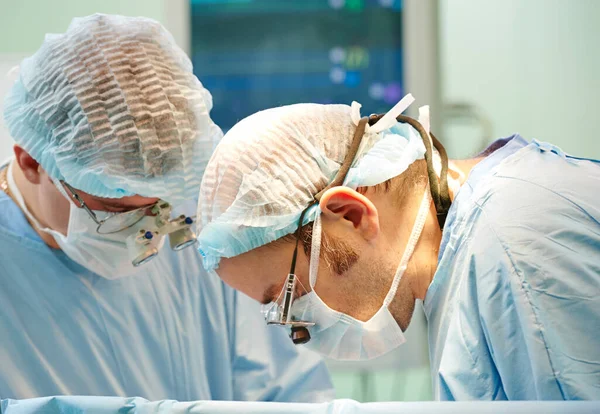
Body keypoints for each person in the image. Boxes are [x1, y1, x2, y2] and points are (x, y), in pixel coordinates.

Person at [0, 14, 334, 402]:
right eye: (113, 208)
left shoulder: (196, 229)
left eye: (160, 203)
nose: (148, 230)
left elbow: (288, 391)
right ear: (31, 162)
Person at [195, 94, 600, 400]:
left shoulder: (513, 243)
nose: (299, 332)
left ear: (350, 215)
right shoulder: (466, 264)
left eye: (290, 297)